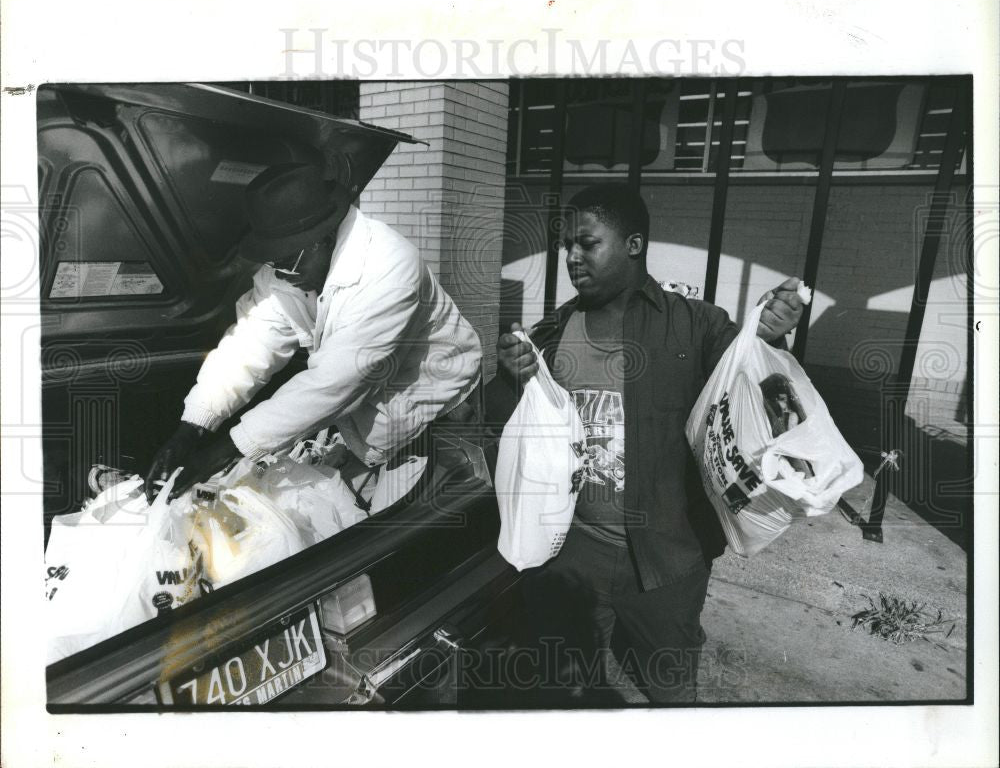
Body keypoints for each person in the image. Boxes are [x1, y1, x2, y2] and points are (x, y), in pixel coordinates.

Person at [489, 183, 804, 704]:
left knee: (670, 690)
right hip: (570, 552)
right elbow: (506, 427)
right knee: (561, 685)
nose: (571, 256)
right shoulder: (555, 329)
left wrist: (768, 335)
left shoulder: (695, 325)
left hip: (667, 562)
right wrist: (510, 379)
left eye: (587, 243)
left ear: (633, 245)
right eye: (567, 244)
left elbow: (756, 390)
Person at [146, 163, 482, 502]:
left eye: (287, 261)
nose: (280, 273)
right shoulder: (288, 268)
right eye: (272, 261)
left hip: (437, 417)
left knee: (391, 537)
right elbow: (249, 346)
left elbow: (338, 379)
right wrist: (191, 428)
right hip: (375, 420)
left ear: (322, 238)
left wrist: (222, 451)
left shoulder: (389, 265)